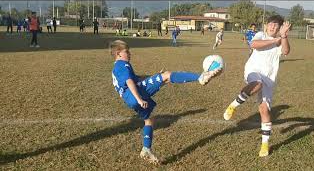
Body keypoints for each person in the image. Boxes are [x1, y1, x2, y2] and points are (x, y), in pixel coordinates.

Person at [110, 40, 222, 164]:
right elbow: (129, 82)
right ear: (118, 53)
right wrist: (139, 99)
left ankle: (146, 149)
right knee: (168, 75)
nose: (129, 54)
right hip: (135, 94)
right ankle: (200, 77)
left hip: (129, 99)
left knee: (150, 120)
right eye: (127, 52)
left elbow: (135, 79)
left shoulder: (117, 68)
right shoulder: (122, 64)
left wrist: (156, 76)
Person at [223, 15, 291, 157]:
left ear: (279, 28)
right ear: (266, 25)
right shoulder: (261, 34)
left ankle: (264, 145)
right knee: (257, 84)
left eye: (276, 25)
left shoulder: (280, 40)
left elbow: (285, 51)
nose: (273, 26)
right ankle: (233, 105)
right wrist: (275, 39)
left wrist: (283, 37)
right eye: (271, 24)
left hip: (270, 79)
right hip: (253, 71)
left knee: (264, 110)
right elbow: (253, 45)